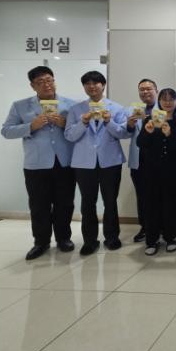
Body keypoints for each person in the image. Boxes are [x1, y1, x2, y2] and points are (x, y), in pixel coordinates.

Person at [1, 66, 76, 260]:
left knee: (65, 203)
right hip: (36, 164)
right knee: (38, 205)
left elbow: (78, 130)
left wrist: (64, 124)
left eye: (49, 80)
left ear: (54, 81)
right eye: (40, 82)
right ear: (32, 86)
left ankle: (64, 238)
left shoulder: (71, 104)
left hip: (65, 163)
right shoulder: (20, 106)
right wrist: (31, 126)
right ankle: (41, 242)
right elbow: (6, 131)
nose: (46, 84)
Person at [64, 71, 130, 256]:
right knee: (87, 202)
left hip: (110, 161)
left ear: (103, 85)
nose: (91, 86)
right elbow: (69, 135)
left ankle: (112, 237)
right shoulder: (76, 109)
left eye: (95, 83)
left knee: (110, 201)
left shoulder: (116, 108)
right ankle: (90, 241)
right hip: (84, 163)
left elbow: (124, 133)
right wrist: (83, 123)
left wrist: (109, 122)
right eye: (87, 83)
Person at [137, 88, 176, 255]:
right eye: (164, 99)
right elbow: (140, 143)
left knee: (173, 203)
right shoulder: (149, 120)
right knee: (151, 204)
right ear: (159, 101)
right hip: (151, 169)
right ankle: (152, 239)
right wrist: (147, 132)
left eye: (172, 99)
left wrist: (170, 134)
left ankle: (170, 237)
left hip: (174, 169)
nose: (168, 102)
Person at [127, 79, 158, 243]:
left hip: (159, 161)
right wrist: (130, 125)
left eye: (149, 89)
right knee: (142, 196)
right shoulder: (133, 110)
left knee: (159, 195)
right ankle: (145, 227)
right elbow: (123, 133)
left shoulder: (164, 109)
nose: (145, 92)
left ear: (156, 91)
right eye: (142, 89)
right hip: (139, 160)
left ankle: (160, 227)